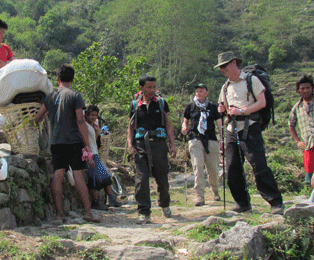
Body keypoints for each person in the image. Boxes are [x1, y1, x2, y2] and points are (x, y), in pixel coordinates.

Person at [215, 51, 284, 214]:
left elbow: (262, 102)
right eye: (221, 68)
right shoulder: (225, 87)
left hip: (250, 126)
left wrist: (243, 111)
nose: (222, 70)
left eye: (224, 66)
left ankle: (275, 202)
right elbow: (224, 107)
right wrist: (222, 110)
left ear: (233, 64)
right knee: (232, 168)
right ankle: (243, 203)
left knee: (258, 165)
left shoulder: (251, 80)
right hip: (232, 129)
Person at [34, 64, 100, 223]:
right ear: (72, 79)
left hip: (56, 142)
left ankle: (59, 214)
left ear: (57, 79)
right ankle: (88, 212)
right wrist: (87, 145)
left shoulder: (50, 96)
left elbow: (37, 118)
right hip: (74, 142)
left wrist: (51, 113)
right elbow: (80, 121)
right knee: (78, 174)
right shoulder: (75, 95)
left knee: (58, 174)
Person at [128, 75, 177, 224]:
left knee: (162, 180)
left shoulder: (162, 103)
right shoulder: (135, 105)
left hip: (159, 145)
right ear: (141, 88)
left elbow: (168, 125)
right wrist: (130, 145)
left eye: (154, 87)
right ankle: (144, 212)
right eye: (149, 87)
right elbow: (130, 126)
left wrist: (173, 144)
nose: (152, 90)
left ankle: (164, 204)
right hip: (140, 145)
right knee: (141, 180)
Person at [181, 83, 223, 206]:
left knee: (213, 169)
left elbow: (219, 123)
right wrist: (184, 128)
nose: (198, 93)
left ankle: (215, 190)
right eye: (197, 91)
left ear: (206, 93)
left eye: (201, 91)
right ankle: (199, 196)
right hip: (195, 139)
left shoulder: (213, 107)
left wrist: (222, 138)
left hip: (211, 139)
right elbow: (185, 121)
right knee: (198, 168)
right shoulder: (191, 106)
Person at [83, 105, 120, 210]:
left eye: (96, 115)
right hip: (90, 154)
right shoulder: (84, 125)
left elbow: (93, 141)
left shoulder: (92, 126)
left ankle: (110, 199)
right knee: (93, 178)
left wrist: (97, 132)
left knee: (105, 177)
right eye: (92, 115)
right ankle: (95, 201)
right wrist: (88, 155)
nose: (94, 117)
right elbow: (85, 141)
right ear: (87, 115)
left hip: (95, 153)